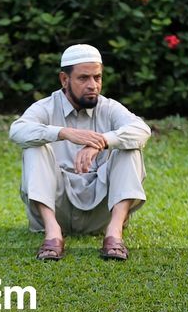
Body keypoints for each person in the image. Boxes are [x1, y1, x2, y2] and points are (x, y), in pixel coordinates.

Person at [8, 44, 151, 261]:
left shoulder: (109, 107)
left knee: (129, 147)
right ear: (65, 80)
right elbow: (17, 130)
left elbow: (142, 130)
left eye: (97, 77)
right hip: (58, 209)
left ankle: (114, 234)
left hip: (102, 213)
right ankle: (53, 234)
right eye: (84, 78)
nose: (93, 85)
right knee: (34, 146)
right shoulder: (46, 107)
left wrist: (103, 141)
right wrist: (64, 133)